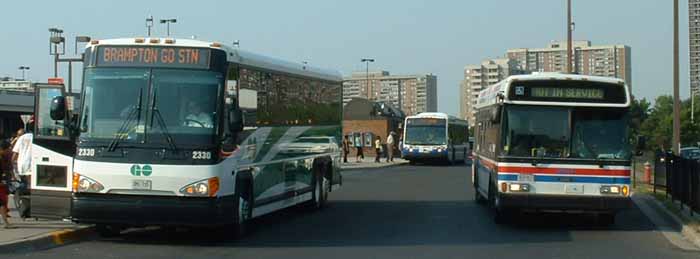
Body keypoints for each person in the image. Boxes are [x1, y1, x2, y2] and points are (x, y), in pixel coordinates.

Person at [0, 141, 12, 229]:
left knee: (2, 203)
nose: (10, 150)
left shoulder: (4, 156)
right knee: (2, 203)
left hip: (2, 183)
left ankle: (6, 223)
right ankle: (6, 224)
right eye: (9, 148)